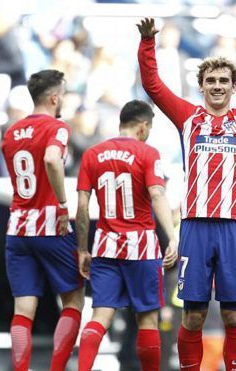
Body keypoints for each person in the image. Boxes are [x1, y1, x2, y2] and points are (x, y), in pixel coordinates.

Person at [137, 17, 236, 370]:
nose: (218, 85)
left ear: (234, 87)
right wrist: (148, 43)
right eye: (211, 81)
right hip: (194, 227)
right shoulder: (187, 118)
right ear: (202, 86)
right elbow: (153, 85)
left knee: (234, 317)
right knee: (192, 317)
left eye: (224, 80)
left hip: (232, 228)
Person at [75, 99, 178, 371]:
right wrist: (173, 236)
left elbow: (83, 206)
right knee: (147, 320)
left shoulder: (92, 154)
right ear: (144, 126)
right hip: (142, 247)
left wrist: (83, 249)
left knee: (99, 317)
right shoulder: (147, 153)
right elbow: (157, 194)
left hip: (106, 247)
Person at [1, 69, 84, 371]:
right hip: (51, 224)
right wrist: (63, 203)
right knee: (73, 301)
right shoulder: (57, 127)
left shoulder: (11, 131)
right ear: (54, 97)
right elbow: (51, 159)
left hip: (17, 227)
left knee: (23, 309)